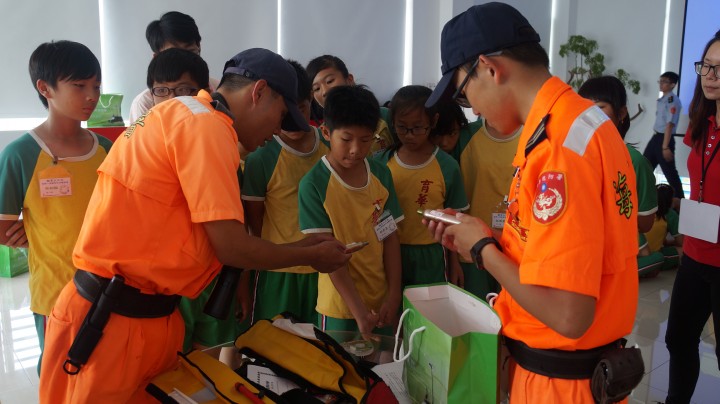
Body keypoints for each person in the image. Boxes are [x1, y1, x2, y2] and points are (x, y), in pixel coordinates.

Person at [38, 47, 350, 403]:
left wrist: (307, 248)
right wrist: (312, 257)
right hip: (115, 322)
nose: (278, 129)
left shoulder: (183, 115)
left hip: (137, 314)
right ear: (258, 92)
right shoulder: (205, 127)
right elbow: (231, 247)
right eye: (280, 115)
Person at [424, 3, 639, 402]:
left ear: (489, 67)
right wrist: (488, 237)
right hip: (582, 373)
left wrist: (483, 249)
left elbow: (568, 315)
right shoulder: (583, 123)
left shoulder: (559, 148)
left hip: (561, 384)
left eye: (462, 90)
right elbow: (571, 246)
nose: (470, 106)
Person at [0, 40, 112, 376]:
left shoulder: (107, 149)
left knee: (102, 375)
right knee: (60, 374)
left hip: (109, 289)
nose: (92, 95)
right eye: (79, 86)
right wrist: (28, 232)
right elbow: (3, 227)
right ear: (45, 88)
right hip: (56, 293)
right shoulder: (20, 154)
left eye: (96, 85)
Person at [142, 47, 243, 355]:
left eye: (183, 90)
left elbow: (235, 221)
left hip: (214, 276)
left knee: (211, 366)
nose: (173, 99)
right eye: (162, 91)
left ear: (203, 91)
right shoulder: (143, 146)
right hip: (168, 281)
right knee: (172, 368)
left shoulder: (216, 137)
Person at [298, 85, 402, 338]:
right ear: (326, 132)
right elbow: (328, 259)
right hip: (339, 308)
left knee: (378, 372)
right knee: (340, 372)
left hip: (381, 300)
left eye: (365, 140)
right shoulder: (313, 185)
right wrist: (358, 311)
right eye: (346, 139)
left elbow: (389, 237)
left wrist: (393, 295)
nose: (356, 149)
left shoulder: (380, 174)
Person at [242, 60, 328, 325]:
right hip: (278, 273)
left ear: (310, 101)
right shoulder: (261, 156)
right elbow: (255, 226)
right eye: (284, 112)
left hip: (325, 270)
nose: (291, 120)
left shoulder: (331, 145)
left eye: (299, 109)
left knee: (323, 352)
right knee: (272, 351)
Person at [664, 30, 720, 404]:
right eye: (706, 66)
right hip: (696, 254)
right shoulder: (701, 122)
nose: (710, 75)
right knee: (678, 338)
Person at [375, 85, 467, 288]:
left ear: (433, 121)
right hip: (389, 252)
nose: (409, 135)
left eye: (417, 127)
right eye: (402, 127)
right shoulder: (381, 164)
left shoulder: (447, 166)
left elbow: (453, 221)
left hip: (433, 254)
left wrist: (454, 264)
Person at [432, 100, 519, 299]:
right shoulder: (464, 136)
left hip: (516, 248)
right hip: (471, 248)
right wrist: (453, 260)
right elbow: (450, 195)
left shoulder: (533, 136)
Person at [578, 76, 660, 277]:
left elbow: (646, 222)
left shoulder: (635, 162)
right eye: (583, 108)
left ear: (621, 113)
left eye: (600, 108)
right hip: (578, 258)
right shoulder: (573, 155)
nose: (590, 115)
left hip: (615, 262)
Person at [128, 11, 220, 122]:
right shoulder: (144, 103)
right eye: (173, 54)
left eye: (191, 52)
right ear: (156, 58)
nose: (185, 60)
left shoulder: (219, 90)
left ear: (199, 47)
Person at [306, 55, 394, 155]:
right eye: (317, 89)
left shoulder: (385, 116)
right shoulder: (321, 137)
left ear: (349, 80)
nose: (324, 91)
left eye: (329, 81)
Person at [644, 71, 684, 200]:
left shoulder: (673, 101)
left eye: (664, 81)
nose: (661, 84)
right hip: (656, 137)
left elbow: (669, 125)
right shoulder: (662, 99)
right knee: (644, 166)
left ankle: (680, 203)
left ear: (672, 84)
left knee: (670, 173)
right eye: (660, 81)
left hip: (664, 140)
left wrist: (665, 147)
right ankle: (642, 196)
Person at [642, 184, 683, 270]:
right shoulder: (670, 214)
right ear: (670, 201)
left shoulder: (644, 209)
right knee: (684, 251)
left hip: (638, 252)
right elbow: (681, 242)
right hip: (652, 254)